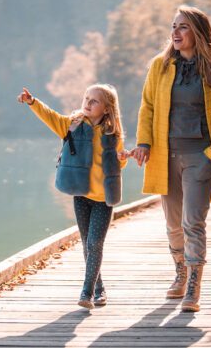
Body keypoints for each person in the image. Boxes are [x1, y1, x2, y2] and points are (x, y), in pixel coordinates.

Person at [130, 5, 211, 312]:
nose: (175, 32)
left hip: (200, 156)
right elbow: (147, 106)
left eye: (183, 27)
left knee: (193, 222)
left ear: (198, 33)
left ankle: (193, 285)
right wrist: (144, 142)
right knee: (173, 223)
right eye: (173, 26)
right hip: (165, 155)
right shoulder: (159, 67)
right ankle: (180, 272)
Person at [17, 84, 128, 309]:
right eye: (86, 98)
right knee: (88, 245)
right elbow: (51, 117)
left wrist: (123, 157)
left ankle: (86, 293)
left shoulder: (111, 134)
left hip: (103, 198)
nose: (87, 103)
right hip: (81, 194)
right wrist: (32, 102)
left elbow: (119, 163)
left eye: (94, 101)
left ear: (107, 109)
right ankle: (99, 289)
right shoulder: (73, 125)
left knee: (95, 243)